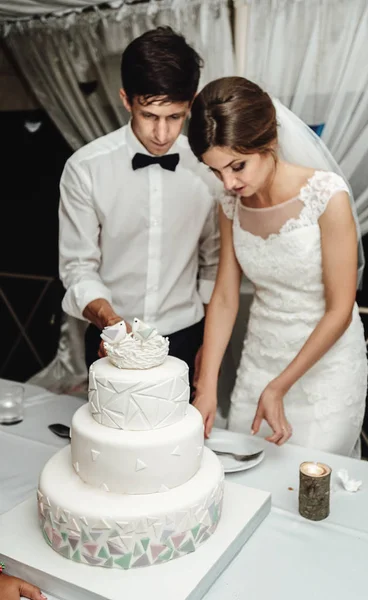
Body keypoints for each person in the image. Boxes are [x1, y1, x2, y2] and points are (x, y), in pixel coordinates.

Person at [188, 76, 368, 456]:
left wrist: (280, 386)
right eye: (216, 171)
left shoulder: (326, 196)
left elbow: (341, 309)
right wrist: (205, 388)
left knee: (309, 484)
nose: (229, 182)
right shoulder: (230, 203)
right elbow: (223, 298)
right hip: (261, 359)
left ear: (268, 141)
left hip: (326, 366)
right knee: (247, 475)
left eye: (237, 166)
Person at [59, 27, 221, 395]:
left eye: (175, 117)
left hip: (186, 337)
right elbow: (78, 267)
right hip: (109, 336)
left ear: (191, 103)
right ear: (126, 100)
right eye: (150, 115)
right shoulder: (85, 168)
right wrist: (111, 324)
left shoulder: (207, 169)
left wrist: (208, 349)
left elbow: (213, 265)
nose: (162, 134)